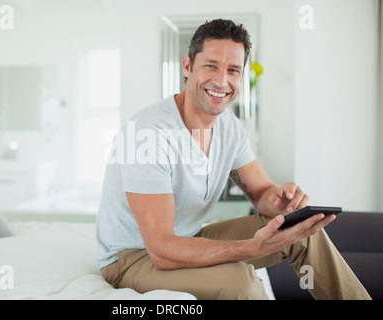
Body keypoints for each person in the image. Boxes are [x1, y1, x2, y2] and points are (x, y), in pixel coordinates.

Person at [95, 19, 371, 300]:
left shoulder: (229, 127)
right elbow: (163, 250)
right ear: (188, 66)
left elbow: (261, 192)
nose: (221, 81)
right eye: (211, 65)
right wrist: (251, 248)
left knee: (303, 231)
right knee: (241, 282)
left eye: (233, 70)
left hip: (188, 241)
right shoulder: (148, 134)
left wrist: (282, 201)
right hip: (134, 259)